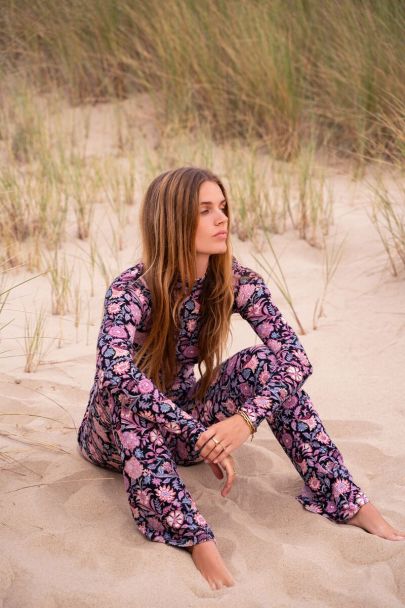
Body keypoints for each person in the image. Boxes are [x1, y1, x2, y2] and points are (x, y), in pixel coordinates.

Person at [77, 166, 405, 591]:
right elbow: (114, 370)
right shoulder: (131, 289)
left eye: (224, 207)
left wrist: (245, 420)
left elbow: (295, 359)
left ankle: (340, 494)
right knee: (127, 389)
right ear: (173, 220)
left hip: (190, 424)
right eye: (206, 210)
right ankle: (192, 535)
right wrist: (197, 434)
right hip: (115, 437)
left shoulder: (237, 281)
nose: (223, 219)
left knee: (267, 364)